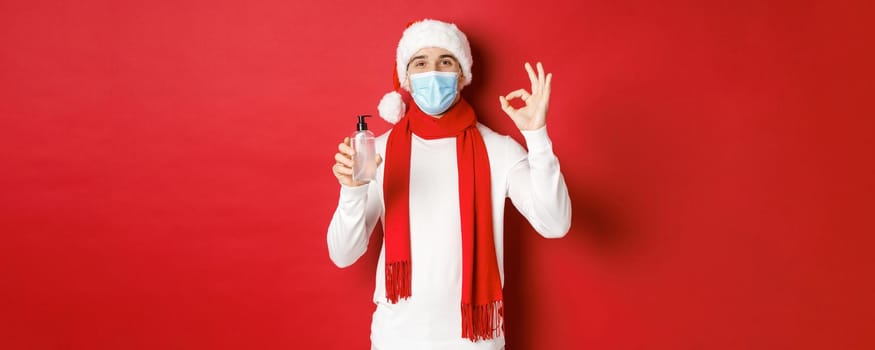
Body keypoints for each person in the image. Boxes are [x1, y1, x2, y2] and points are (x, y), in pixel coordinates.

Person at [327, 19, 571, 350]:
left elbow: (555, 223)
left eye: (445, 61)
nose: (433, 72)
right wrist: (352, 190)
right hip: (396, 339)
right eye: (420, 63)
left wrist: (537, 137)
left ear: (462, 76)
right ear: (407, 79)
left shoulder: (497, 149)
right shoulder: (377, 152)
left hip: (475, 342)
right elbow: (343, 254)